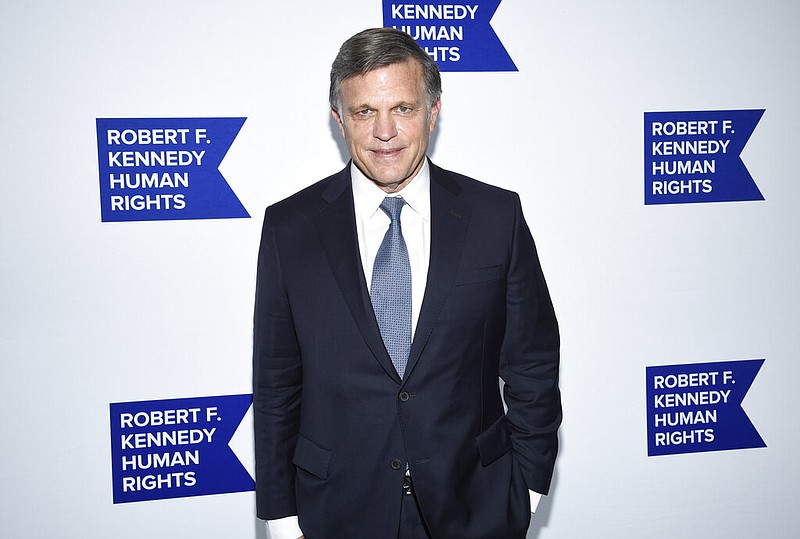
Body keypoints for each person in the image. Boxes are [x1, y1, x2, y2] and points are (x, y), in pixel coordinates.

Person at [253, 27, 561, 539]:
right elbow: (276, 384)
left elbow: (532, 361)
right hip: (337, 511)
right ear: (339, 120)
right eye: (364, 112)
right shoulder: (290, 228)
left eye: (403, 108)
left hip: (476, 505)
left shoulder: (494, 216)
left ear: (433, 112)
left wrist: (526, 489)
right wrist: (282, 517)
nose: (385, 132)